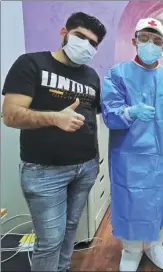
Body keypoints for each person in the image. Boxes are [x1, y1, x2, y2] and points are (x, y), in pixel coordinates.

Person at [1, 12, 106, 271]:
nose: (87, 46)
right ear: (64, 33)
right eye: (81, 36)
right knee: (49, 240)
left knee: (70, 229)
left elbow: (96, 116)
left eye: (93, 43)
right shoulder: (31, 64)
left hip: (85, 167)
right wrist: (54, 118)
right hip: (44, 172)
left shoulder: (92, 76)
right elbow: (10, 115)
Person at [101, 18, 163, 272]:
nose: (150, 44)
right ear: (134, 41)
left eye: (157, 41)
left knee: (157, 200)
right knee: (130, 198)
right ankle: (131, 250)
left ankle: (154, 245)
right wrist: (129, 113)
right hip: (129, 155)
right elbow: (110, 115)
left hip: (162, 155)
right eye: (145, 38)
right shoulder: (117, 74)